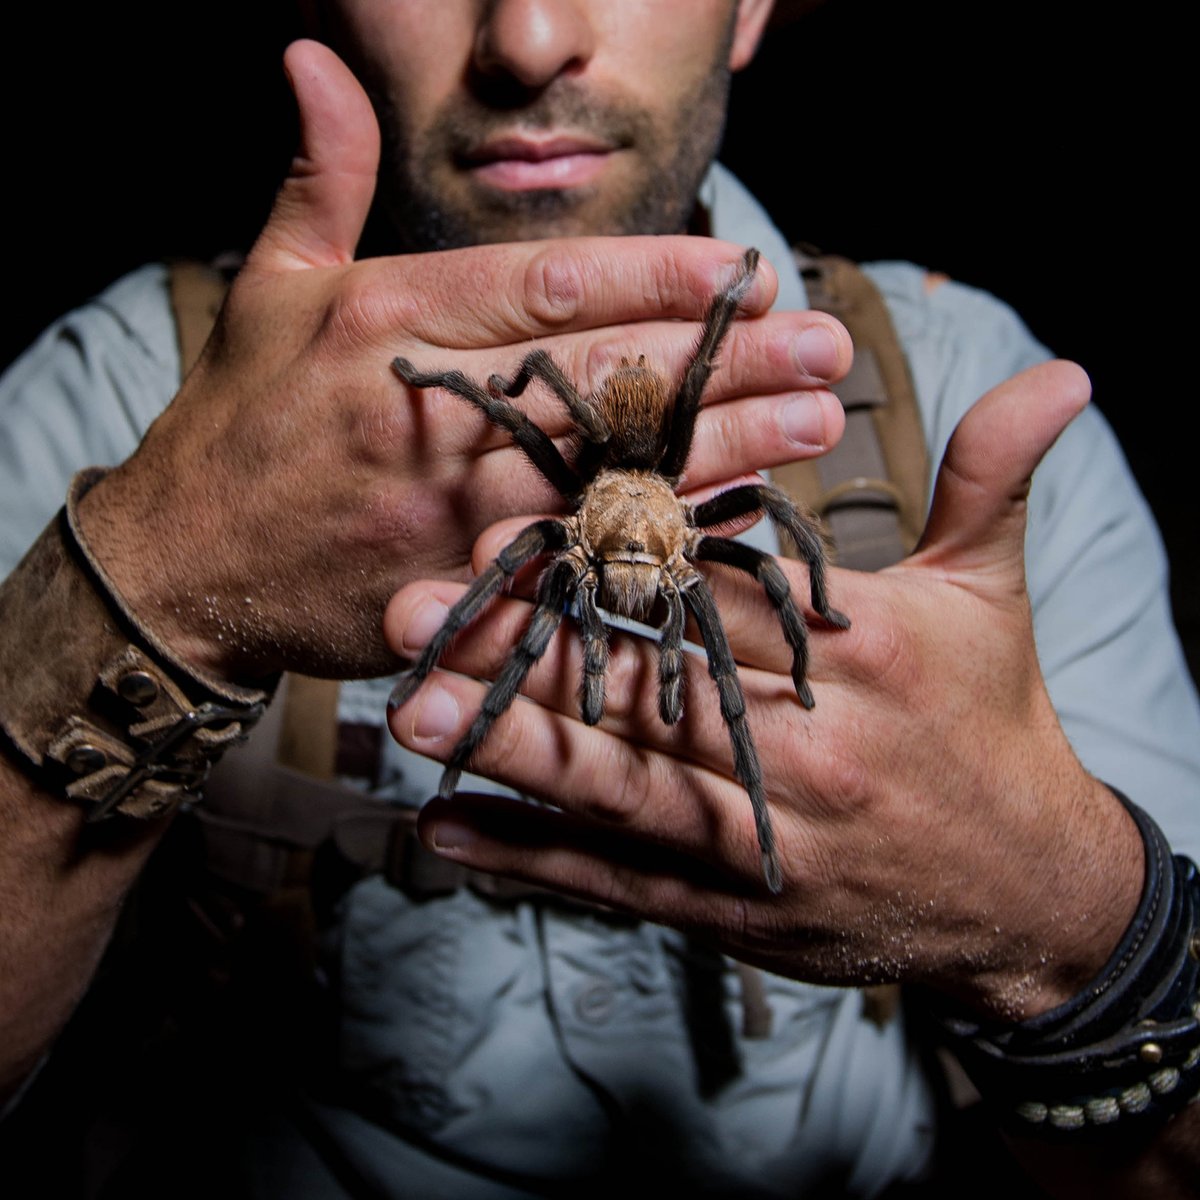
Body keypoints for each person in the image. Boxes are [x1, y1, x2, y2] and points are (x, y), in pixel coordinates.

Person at [0, 2, 1196, 1196]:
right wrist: (159, 579)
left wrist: (1073, 924)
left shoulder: (961, 374)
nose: (527, 39)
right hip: (601, 511)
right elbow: (520, 417)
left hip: (650, 514)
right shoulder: (124, 391)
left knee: (722, 620)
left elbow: (769, 535)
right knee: (525, 623)